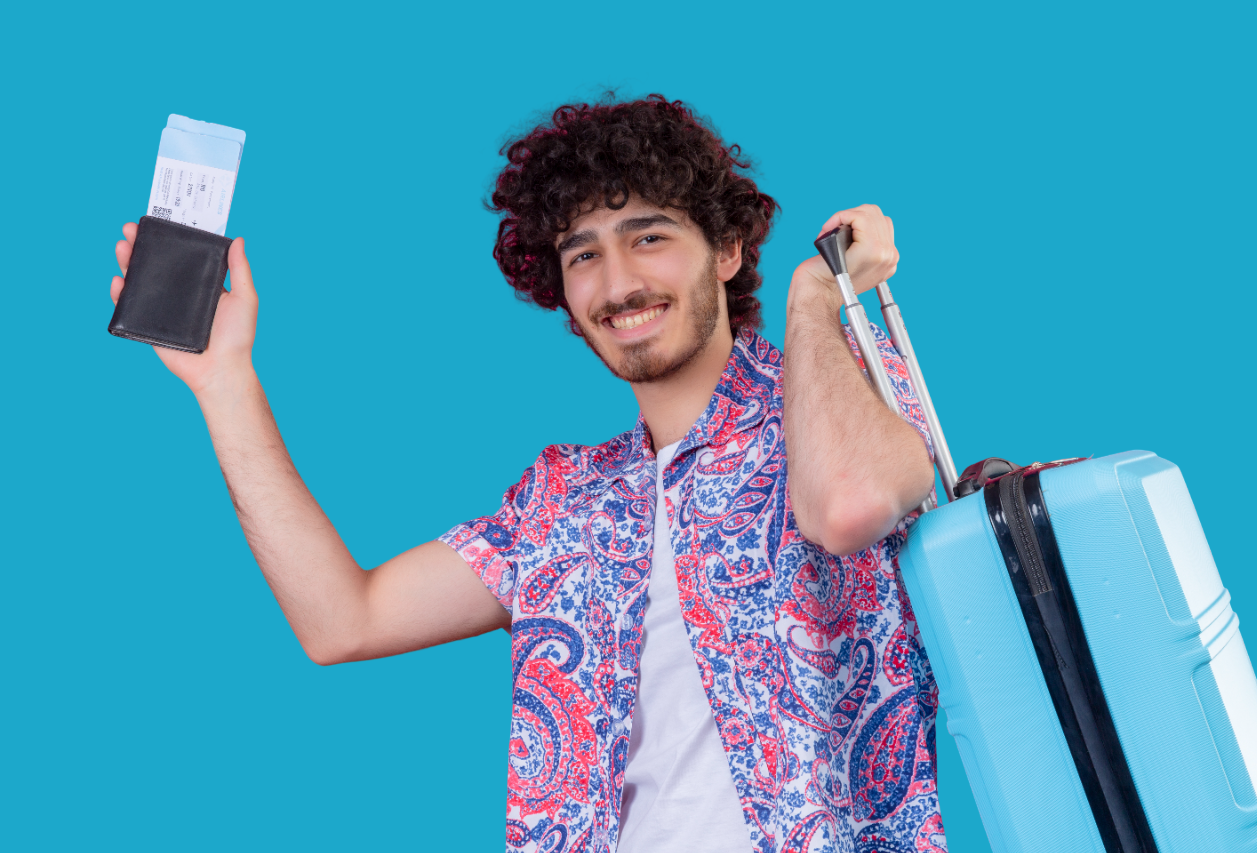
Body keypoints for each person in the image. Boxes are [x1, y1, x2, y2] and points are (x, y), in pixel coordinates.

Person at [108, 95, 944, 853]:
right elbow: (342, 619)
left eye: (649, 236)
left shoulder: (847, 395)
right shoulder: (562, 500)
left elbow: (851, 504)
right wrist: (226, 382)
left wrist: (811, 302)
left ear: (726, 248)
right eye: (583, 255)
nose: (618, 283)